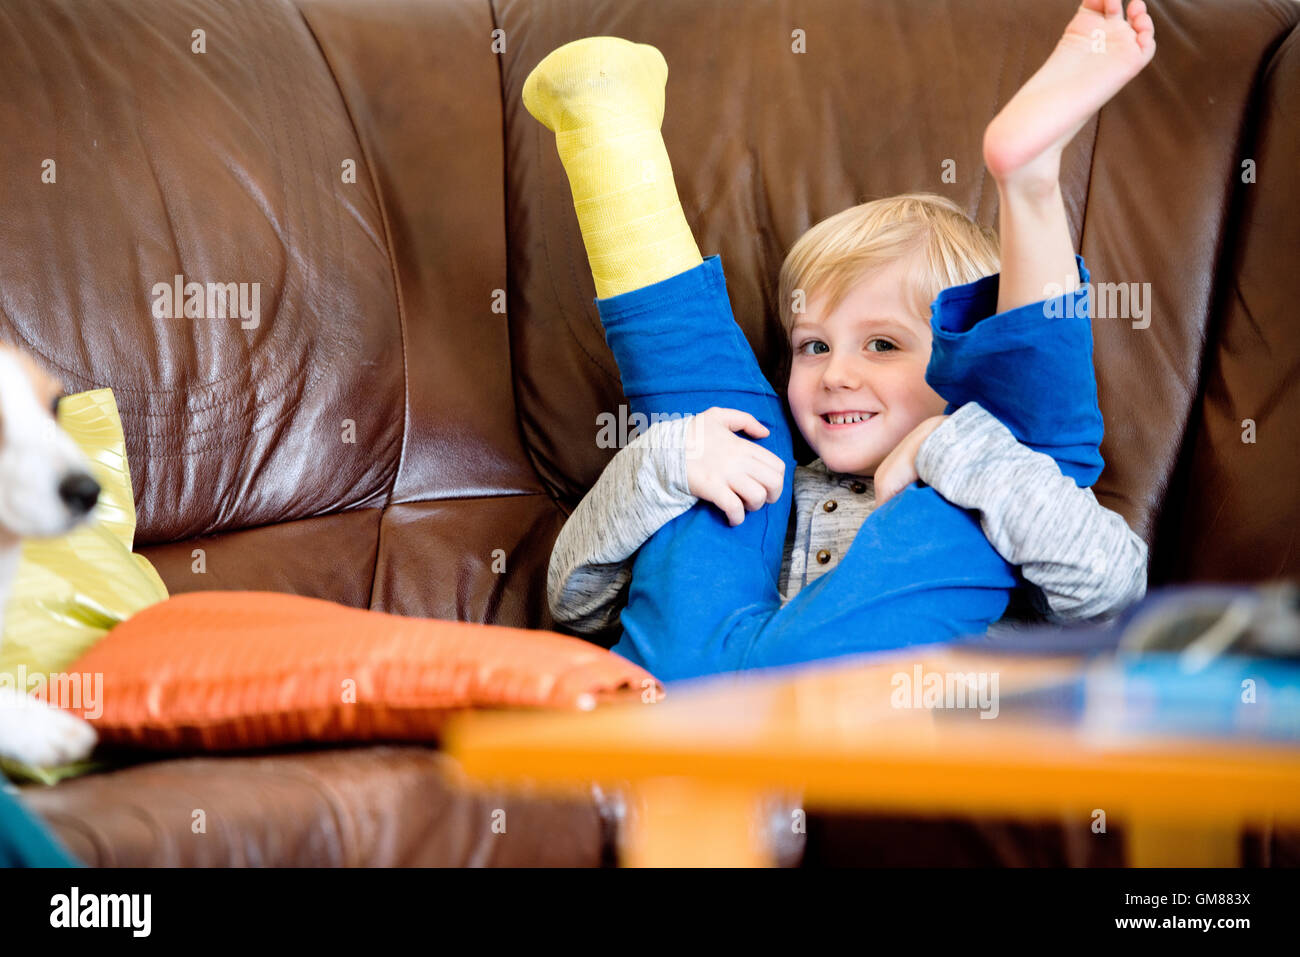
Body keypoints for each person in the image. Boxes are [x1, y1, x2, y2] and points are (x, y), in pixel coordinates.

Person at [525, 0, 1157, 681]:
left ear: (956, 365)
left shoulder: (988, 480)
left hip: (856, 724)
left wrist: (953, 447)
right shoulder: (764, 479)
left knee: (1018, 445)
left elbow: (1110, 585)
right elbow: (575, 602)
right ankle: (606, 128)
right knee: (720, 430)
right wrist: (662, 464)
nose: (836, 374)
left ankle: (1030, 184)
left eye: (882, 344)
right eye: (813, 345)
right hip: (690, 690)